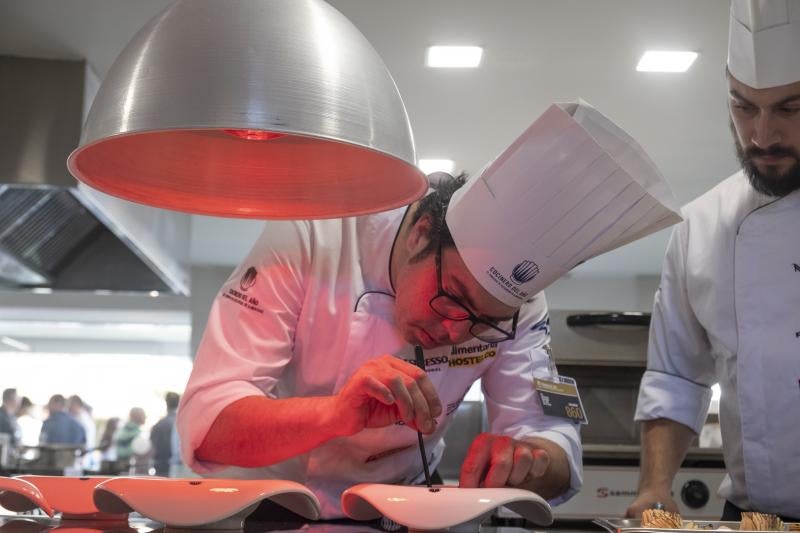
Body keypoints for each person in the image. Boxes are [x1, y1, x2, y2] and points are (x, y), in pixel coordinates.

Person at [178, 101, 679, 519]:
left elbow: (554, 434)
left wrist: (531, 459)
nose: (455, 331)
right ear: (421, 233)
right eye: (454, 295)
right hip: (265, 509)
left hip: (403, 511)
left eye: (481, 321)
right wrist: (336, 414)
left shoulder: (520, 309)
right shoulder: (313, 233)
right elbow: (210, 422)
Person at [627, 0, 800, 521]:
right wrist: (654, 486)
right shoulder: (699, 227)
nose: (762, 136)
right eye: (743, 106)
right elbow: (676, 376)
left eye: (791, 109)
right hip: (753, 517)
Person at [150, 392, 180, 476]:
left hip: (161, 467)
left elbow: (153, 448)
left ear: (166, 403)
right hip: (176, 469)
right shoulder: (182, 423)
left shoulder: (159, 424)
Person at [68, 395, 98, 470]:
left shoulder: (83, 420)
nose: (68, 408)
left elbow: (86, 441)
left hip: (83, 457)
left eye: (70, 404)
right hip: (81, 456)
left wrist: (82, 456)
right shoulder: (78, 418)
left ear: (76, 405)